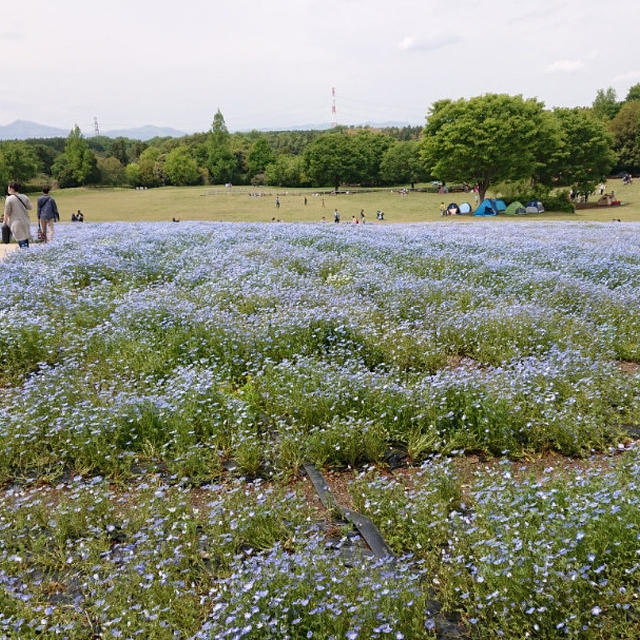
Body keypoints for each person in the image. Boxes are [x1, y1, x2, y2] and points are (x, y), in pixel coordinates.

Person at [3, 181, 32, 248]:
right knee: (25, 238)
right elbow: (30, 207)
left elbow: (7, 213)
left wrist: (5, 223)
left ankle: (24, 255)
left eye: (9, 188)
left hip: (15, 222)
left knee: (21, 239)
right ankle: (27, 253)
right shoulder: (24, 197)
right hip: (26, 221)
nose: (8, 189)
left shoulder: (9, 199)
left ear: (12, 189)